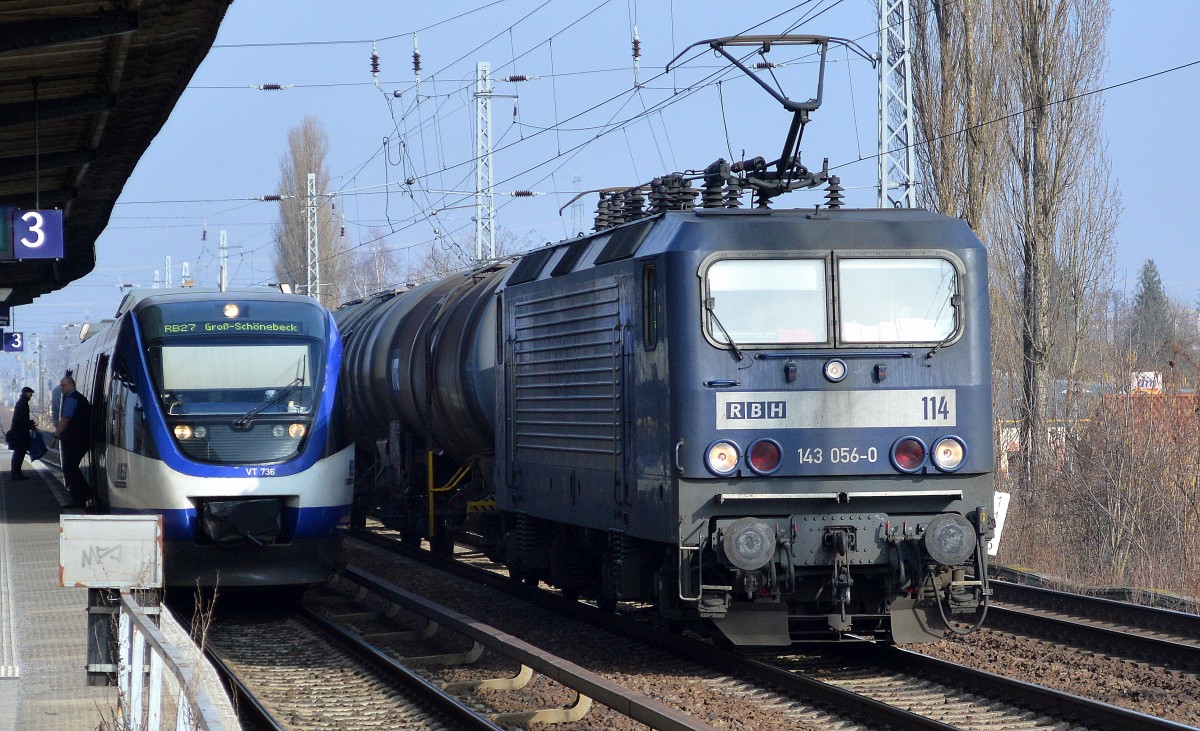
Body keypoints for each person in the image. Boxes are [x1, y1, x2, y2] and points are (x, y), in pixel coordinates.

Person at [49, 374, 91, 509]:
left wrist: (55, 436)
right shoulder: (78, 398)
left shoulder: (72, 399)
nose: (61, 388)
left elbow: (65, 420)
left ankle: (81, 495)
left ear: (71, 385)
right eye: (61, 385)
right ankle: (82, 494)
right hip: (81, 438)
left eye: (64, 385)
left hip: (75, 439)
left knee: (69, 468)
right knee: (71, 467)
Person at [9, 386, 34, 480]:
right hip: (20, 433)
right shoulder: (22, 403)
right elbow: (20, 419)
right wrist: (30, 423)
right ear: (26, 393)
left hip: (20, 431)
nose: (31, 395)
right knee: (19, 452)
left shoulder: (22, 402)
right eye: (30, 393)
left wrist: (29, 424)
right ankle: (16, 474)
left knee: (19, 452)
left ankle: (17, 473)